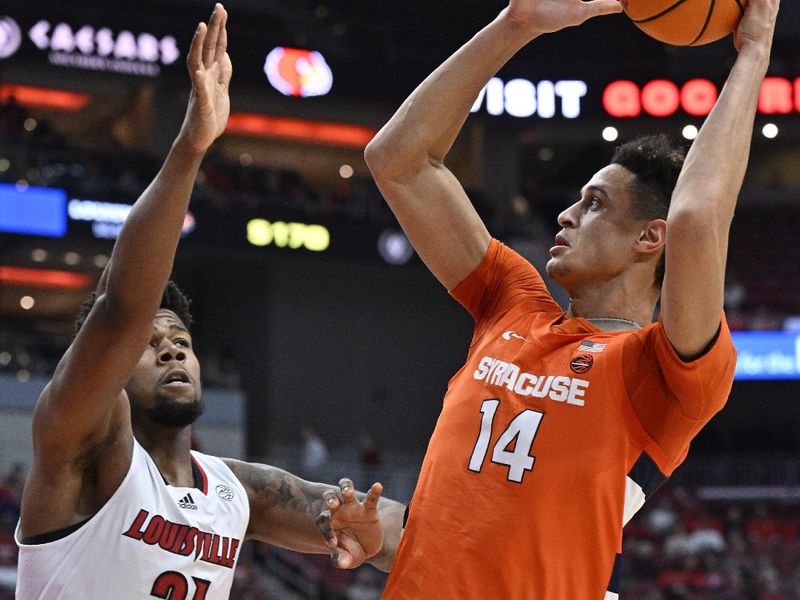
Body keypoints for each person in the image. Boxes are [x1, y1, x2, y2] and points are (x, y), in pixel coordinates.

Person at [324, 0, 781, 596]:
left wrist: (753, 53)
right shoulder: (511, 301)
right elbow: (397, 161)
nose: (565, 215)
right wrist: (515, 24)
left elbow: (694, 219)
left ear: (650, 237)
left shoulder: (663, 375)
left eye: (594, 204)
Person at [13, 6, 401, 598]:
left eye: (182, 344)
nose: (171, 352)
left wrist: (375, 535)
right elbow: (122, 307)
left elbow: (396, 528)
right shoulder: (84, 438)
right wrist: (190, 151)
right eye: (151, 345)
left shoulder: (236, 489)